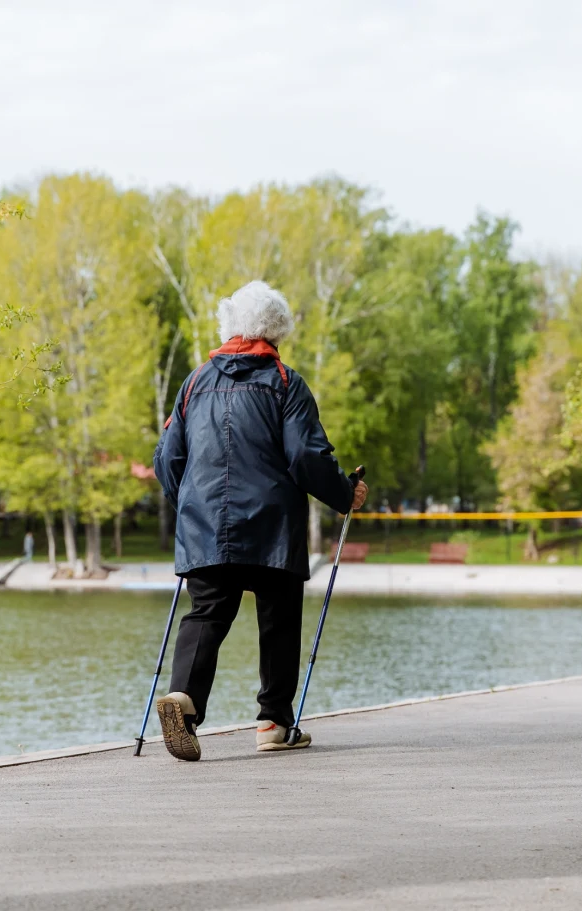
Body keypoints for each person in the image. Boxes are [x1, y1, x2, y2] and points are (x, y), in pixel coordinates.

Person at [151, 280, 368, 761]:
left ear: (229, 325)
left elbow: (167, 459)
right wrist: (344, 494)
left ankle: (183, 697)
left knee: (207, 612)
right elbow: (306, 456)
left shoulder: (194, 382)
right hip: (273, 527)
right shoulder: (286, 382)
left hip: (205, 524)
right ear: (277, 329)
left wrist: (189, 505)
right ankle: (273, 723)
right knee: (279, 619)